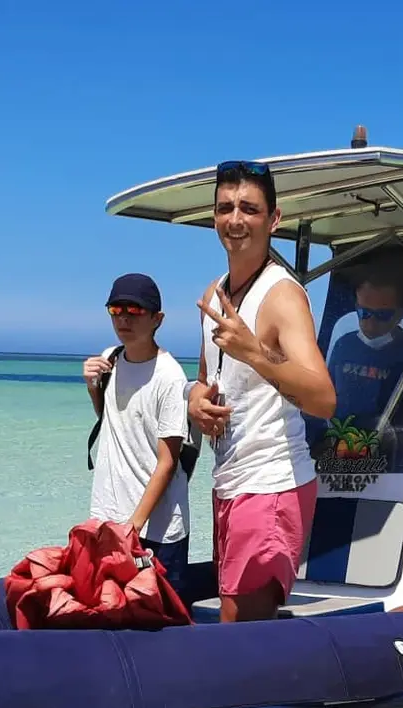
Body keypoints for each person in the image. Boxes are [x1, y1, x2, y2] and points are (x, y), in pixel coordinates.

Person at [188, 159, 337, 622]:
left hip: (272, 485)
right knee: (244, 630)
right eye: (225, 208)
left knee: (241, 633)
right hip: (229, 484)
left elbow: (322, 398)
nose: (235, 220)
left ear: (274, 220)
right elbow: (206, 378)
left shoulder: (282, 296)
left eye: (249, 209)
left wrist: (255, 351)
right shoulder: (215, 295)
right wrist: (196, 402)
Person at [82, 272, 192, 597]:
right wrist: (93, 387)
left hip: (154, 528)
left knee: (159, 626)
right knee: (106, 613)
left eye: (135, 311)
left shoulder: (169, 377)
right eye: (116, 311)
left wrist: (134, 525)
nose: (124, 319)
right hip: (108, 517)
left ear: (157, 319)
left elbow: (167, 462)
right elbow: (110, 418)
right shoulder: (110, 358)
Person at [308, 271, 403, 468]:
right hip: (338, 458)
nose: (370, 324)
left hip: (392, 466)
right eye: (364, 313)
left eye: (383, 315)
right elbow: (323, 403)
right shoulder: (344, 345)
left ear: (400, 314)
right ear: (356, 307)